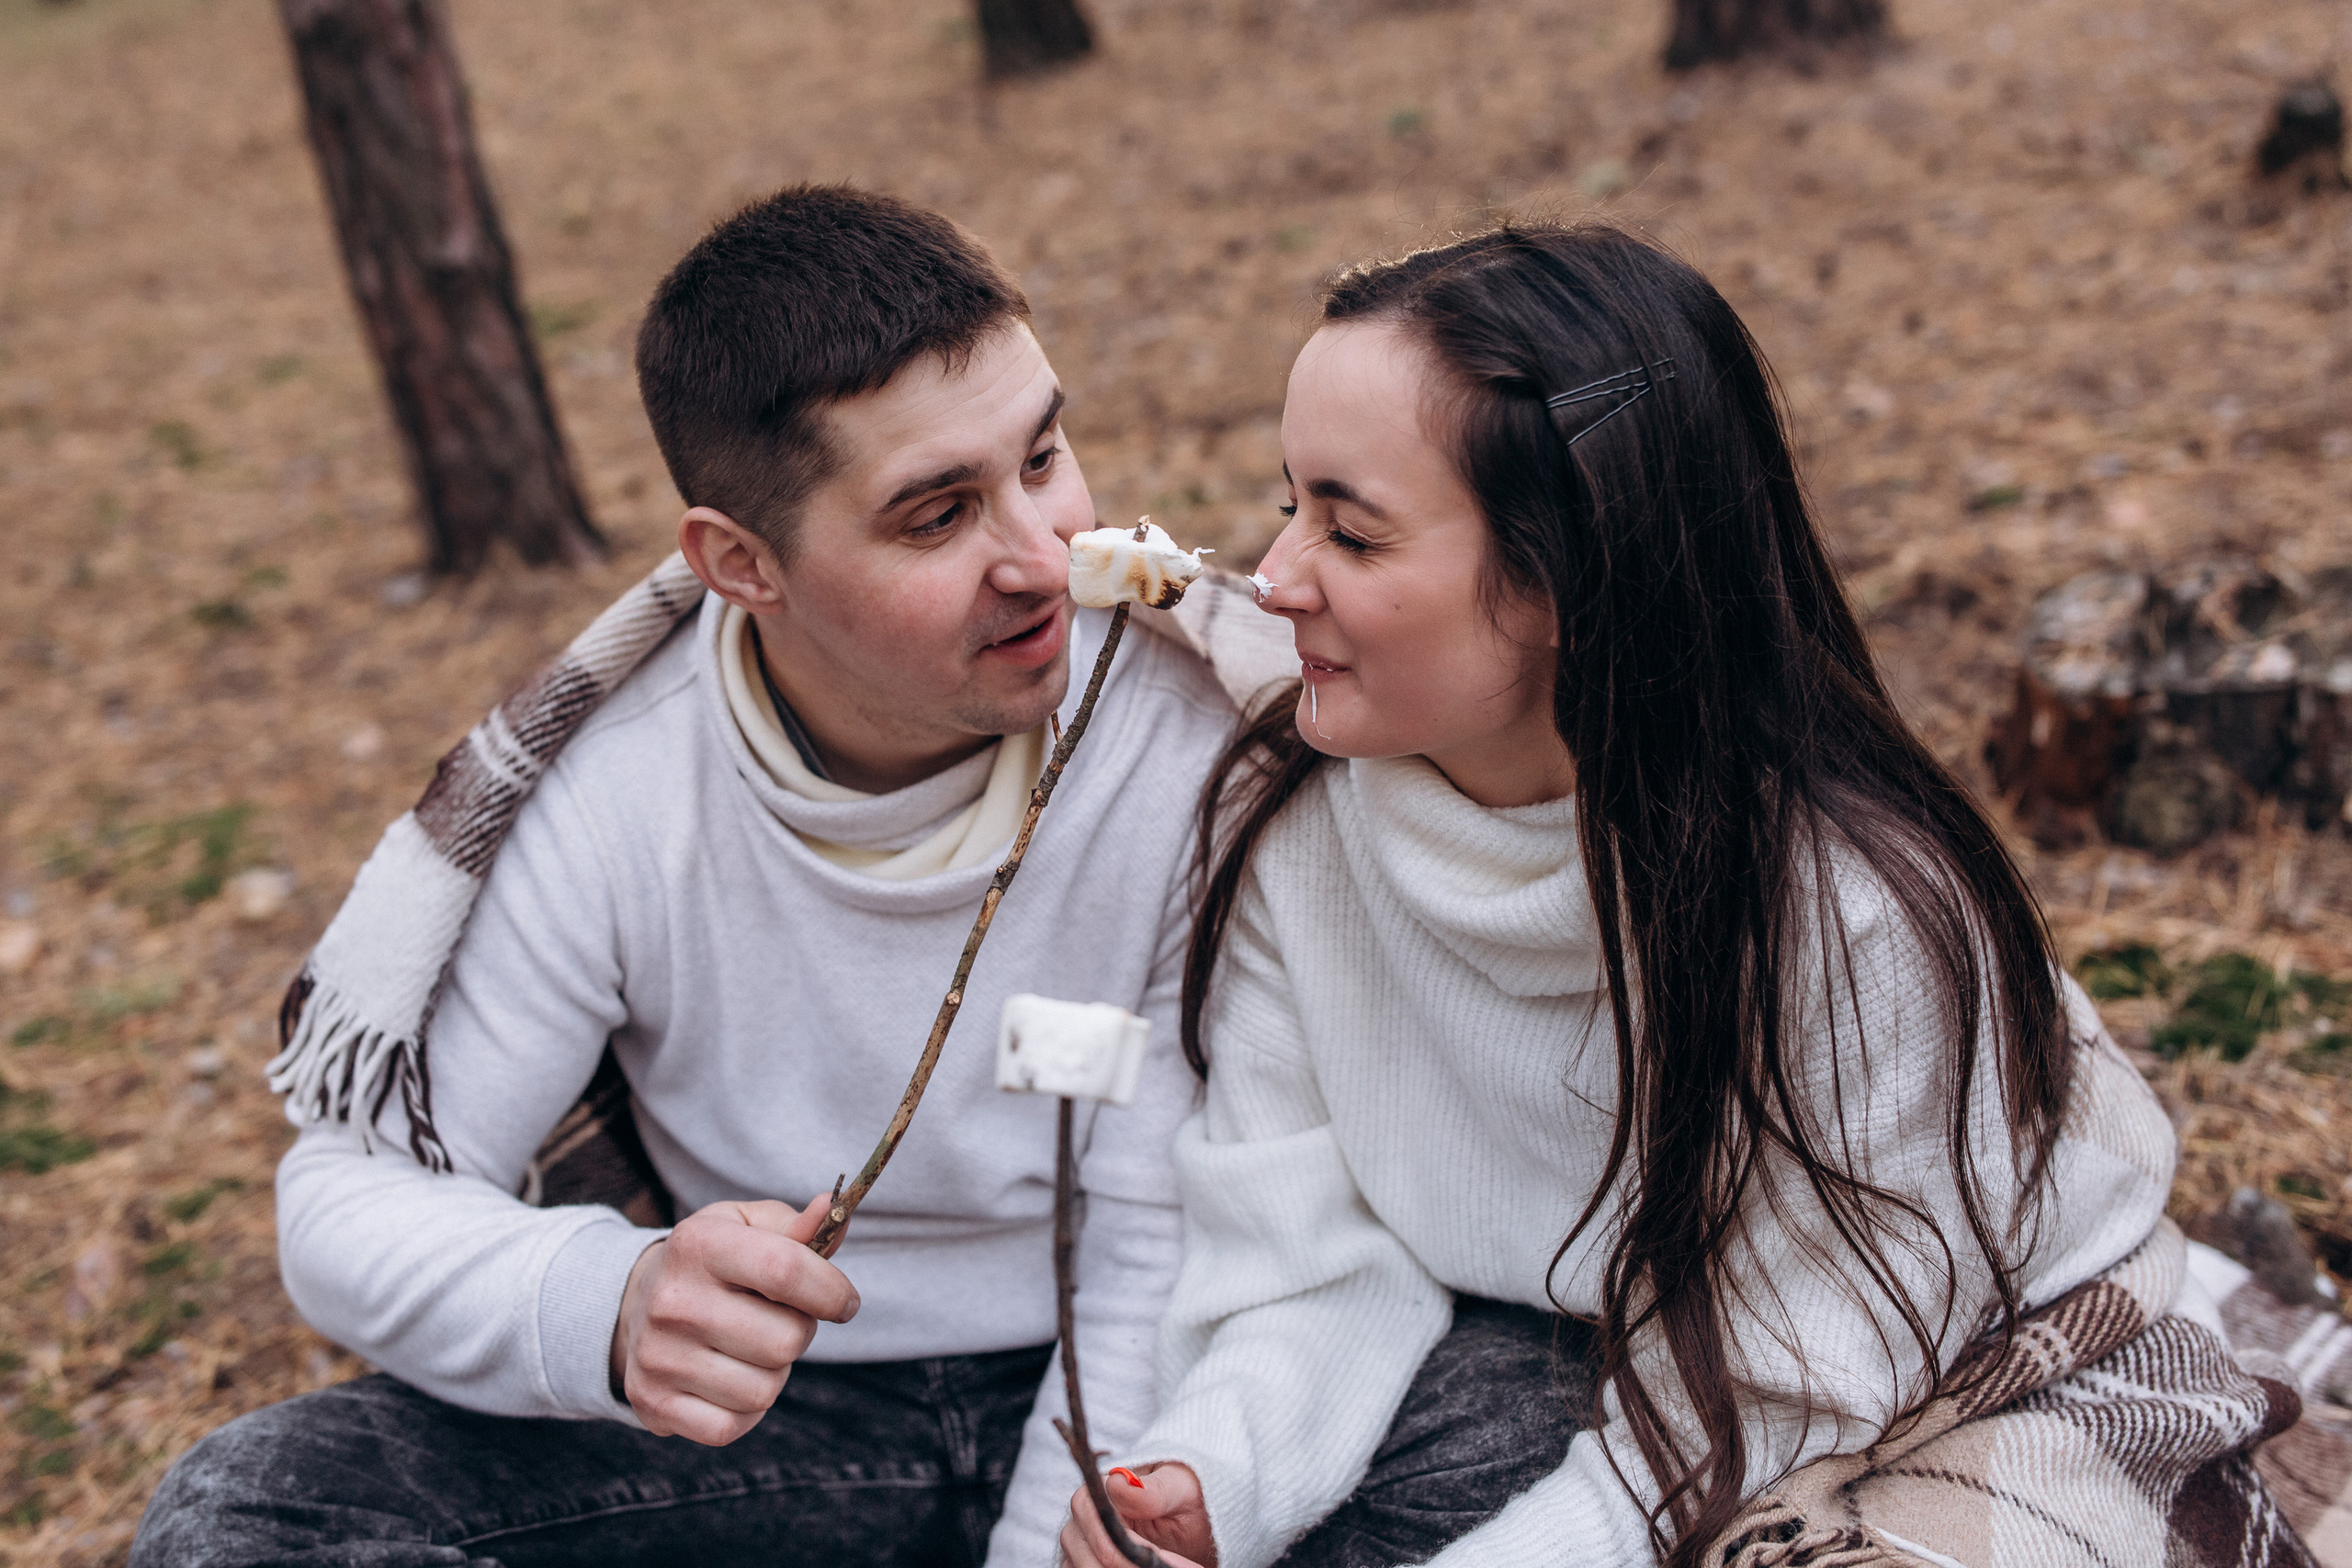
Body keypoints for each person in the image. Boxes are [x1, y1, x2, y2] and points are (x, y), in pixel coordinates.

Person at [1060, 224, 2308, 1568]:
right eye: (1290, 505)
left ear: (1568, 575)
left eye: (1351, 533)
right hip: (1582, 1328)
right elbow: (1306, 1254)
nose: (1275, 574)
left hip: (1927, 1351)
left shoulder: (1845, 916)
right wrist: (1219, 1472)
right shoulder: (1298, 818)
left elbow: (1777, 1397)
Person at [131, 186, 1245, 1568]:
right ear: (740, 564)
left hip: (1134, 1393)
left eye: (1044, 457)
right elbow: (344, 1207)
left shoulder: (1191, 744)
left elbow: (1154, 1244)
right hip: (776, 1424)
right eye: (935, 517)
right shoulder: (616, 792)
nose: (1043, 557)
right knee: (246, 1511)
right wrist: (615, 1299)